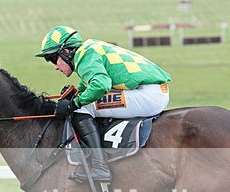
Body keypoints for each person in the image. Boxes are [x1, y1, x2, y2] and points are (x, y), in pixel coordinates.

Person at [36, 26, 171, 182]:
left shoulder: (84, 56)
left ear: (66, 52)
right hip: (153, 92)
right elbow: (95, 77)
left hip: (148, 95)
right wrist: (77, 90)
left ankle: (100, 168)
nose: (55, 66)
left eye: (53, 59)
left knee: (83, 108)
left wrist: (72, 104)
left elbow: (101, 85)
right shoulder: (89, 48)